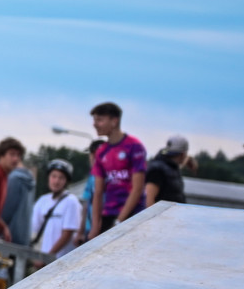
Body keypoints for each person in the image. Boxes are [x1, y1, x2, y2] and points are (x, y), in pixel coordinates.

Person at [84, 102, 147, 238]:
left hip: (134, 215)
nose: (95, 124)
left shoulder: (134, 146)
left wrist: (120, 221)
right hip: (109, 214)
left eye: (99, 120)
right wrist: (95, 227)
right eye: (94, 120)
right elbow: (98, 192)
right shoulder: (101, 152)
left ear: (114, 121)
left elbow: (137, 188)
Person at [30, 159, 83, 258]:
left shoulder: (71, 201)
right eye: (53, 176)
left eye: (61, 178)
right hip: (43, 259)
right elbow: (34, 230)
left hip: (61, 260)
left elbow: (67, 234)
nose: (56, 181)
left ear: (66, 181)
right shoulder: (42, 200)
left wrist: (48, 257)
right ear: (48, 177)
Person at [143, 135, 193, 208]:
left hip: (169, 216)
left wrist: (189, 159)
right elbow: (148, 199)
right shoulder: (157, 170)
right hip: (162, 218)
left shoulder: (170, 166)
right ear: (183, 154)